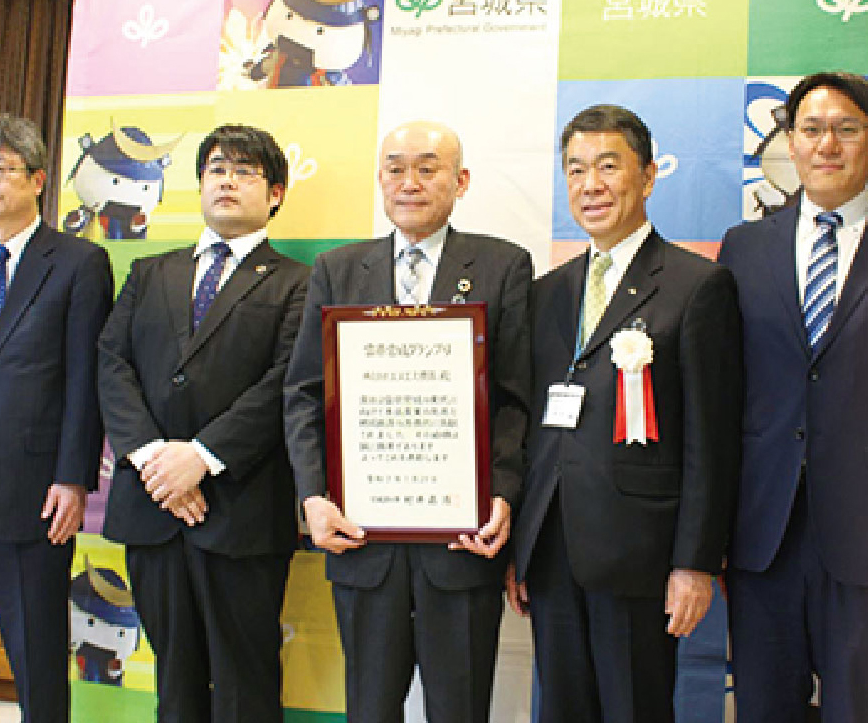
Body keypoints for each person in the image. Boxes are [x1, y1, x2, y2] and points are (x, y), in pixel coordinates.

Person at [282, 121, 532, 722]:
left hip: (462, 542)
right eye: (395, 169)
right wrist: (313, 498)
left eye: (427, 167)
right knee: (369, 709)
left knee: (459, 709)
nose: (409, 182)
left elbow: (515, 399)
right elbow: (304, 394)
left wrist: (501, 495)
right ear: (380, 179)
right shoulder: (338, 269)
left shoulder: (502, 265)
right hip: (360, 539)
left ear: (460, 181)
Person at [505, 104, 741, 723]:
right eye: (576, 169)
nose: (591, 185)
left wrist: (694, 562)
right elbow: (535, 430)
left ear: (649, 176)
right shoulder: (548, 291)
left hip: (642, 555)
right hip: (553, 551)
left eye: (609, 166)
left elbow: (711, 441)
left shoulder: (697, 285)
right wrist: (524, 548)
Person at [98, 124, 310, 722]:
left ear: (275, 193)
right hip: (154, 507)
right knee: (174, 679)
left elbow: (287, 382)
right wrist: (154, 458)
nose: (227, 181)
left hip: (241, 509)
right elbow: (112, 363)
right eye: (217, 169)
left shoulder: (298, 282)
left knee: (246, 680)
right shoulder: (149, 272)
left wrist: (201, 456)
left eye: (245, 171)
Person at [717, 71, 868, 721]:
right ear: (791, 142)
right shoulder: (744, 248)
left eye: (847, 129)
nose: (827, 145)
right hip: (764, 536)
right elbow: (722, 395)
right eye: (812, 129)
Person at [0, 113, 114, 723]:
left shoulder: (77, 262)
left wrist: (73, 478)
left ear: (38, 179)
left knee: (35, 646)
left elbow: (84, 379)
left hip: (33, 489)